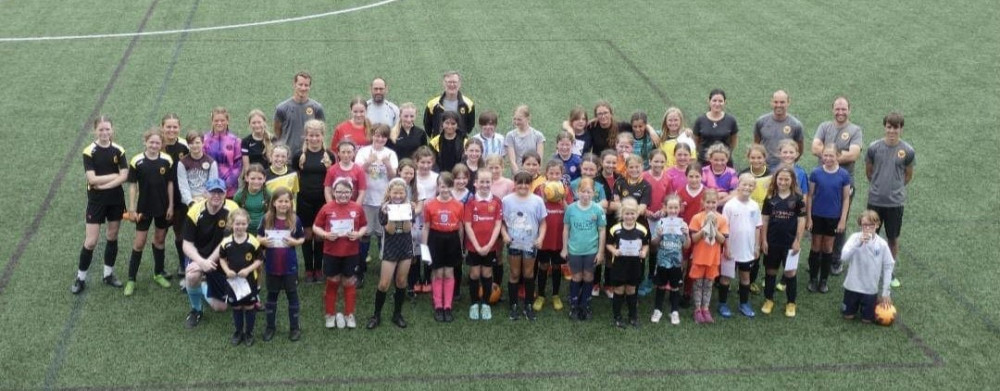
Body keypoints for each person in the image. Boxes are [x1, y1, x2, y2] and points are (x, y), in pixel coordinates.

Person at [72, 116, 129, 294]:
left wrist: (104, 184)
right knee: (91, 241)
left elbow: (124, 175)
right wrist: (114, 176)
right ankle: (80, 278)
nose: (104, 133)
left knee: (112, 236)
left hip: (115, 199)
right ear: (95, 131)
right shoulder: (89, 151)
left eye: (107, 129)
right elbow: (91, 179)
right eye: (101, 130)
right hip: (96, 201)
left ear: (112, 130)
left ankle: (108, 274)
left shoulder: (119, 150)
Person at [812, 97, 863, 275]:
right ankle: (817, 257)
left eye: (844, 109)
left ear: (850, 110)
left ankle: (835, 259)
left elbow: (853, 155)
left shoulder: (855, 130)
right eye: (837, 109)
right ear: (832, 109)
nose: (840, 112)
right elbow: (814, 147)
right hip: (821, 183)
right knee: (818, 219)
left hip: (844, 184)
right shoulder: (824, 126)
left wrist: (829, 157)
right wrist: (834, 156)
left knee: (840, 222)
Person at [182, 178, 240, 328]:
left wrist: (207, 264)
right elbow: (186, 244)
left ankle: (202, 284)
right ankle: (196, 310)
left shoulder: (232, 209)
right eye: (213, 192)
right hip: (198, 255)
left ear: (225, 193)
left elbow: (226, 242)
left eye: (220, 192)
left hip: (220, 257)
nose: (216, 195)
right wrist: (201, 263)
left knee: (220, 308)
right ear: (205, 193)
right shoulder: (195, 210)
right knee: (192, 274)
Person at [865, 112, 914, 288]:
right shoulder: (874, 148)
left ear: (901, 129)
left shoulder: (907, 150)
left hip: (895, 203)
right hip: (875, 201)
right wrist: (879, 187)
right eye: (889, 127)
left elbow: (907, 175)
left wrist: (895, 189)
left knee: (893, 238)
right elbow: (869, 172)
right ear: (884, 127)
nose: (892, 130)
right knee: (870, 236)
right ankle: (870, 268)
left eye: (896, 127)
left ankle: (889, 271)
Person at [124, 129, 175, 296]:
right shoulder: (137, 161)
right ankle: (131, 279)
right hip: (143, 208)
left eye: (157, 143)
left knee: (160, 240)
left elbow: (170, 184)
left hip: (162, 207)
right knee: (139, 243)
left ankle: (158, 273)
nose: (154, 145)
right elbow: (132, 185)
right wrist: (131, 208)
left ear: (162, 145)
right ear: (145, 142)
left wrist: (171, 206)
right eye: (151, 142)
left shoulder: (167, 160)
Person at [313, 179, 367, 330]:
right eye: (339, 192)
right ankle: (330, 314)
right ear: (333, 192)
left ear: (351, 192)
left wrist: (358, 234)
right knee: (333, 280)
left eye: (346, 192)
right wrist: (325, 234)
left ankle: (349, 314)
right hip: (331, 252)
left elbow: (364, 226)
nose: (343, 195)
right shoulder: (327, 208)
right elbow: (316, 227)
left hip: (351, 252)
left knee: (349, 281)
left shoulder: (357, 208)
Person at [367, 179, 416, 329]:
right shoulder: (383, 208)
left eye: (401, 192)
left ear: (405, 193)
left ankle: (397, 314)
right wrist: (392, 213)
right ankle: (376, 315)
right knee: (384, 284)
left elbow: (407, 229)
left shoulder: (409, 207)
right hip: (390, 247)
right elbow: (390, 230)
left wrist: (406, 212)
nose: (398, 195)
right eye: (395, 192)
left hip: (405, 247)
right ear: (389, 193)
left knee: (401, 282)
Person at [257, 188, 305, 342]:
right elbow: (258, 236)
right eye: (280, 201)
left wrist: (294, 242)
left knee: (292, 296)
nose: (283, 204)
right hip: (271, 265)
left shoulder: (295, 219)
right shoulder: (266, 218)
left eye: (286, 201)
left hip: (289, 266)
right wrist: (263, 241)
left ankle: (294, 328)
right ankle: (270, 327)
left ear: (291, 203)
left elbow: (302, 238)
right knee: (272, 297)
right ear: (274, 203)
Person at [356, 124, 399, 288]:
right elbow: (357, 172)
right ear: (372, 135)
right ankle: (359, 270)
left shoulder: (391, 154)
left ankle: (386, 269)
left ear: (386, 138)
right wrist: (368, 162)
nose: (379, 139)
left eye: (383, 136)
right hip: (366, 200)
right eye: (377, 135)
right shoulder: (363, 152)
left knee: (384, 236)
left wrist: (387, 165)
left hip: (384, 202)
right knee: (364, 235)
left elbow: (394, 176)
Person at [501, 171, 547, 321]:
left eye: (526, 183)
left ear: (531, 184)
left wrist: (540, 238)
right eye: (519, 182)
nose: (523, 186)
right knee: (514, 273)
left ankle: (528, 304)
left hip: (530, 244)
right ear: (514, 183)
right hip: (514, 243)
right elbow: (501, 222)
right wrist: (505, 235)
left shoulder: (537, 201)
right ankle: (513, 305)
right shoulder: (507, 200)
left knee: (528, 274)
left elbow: (543, 223)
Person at [760, 167, 806, 317]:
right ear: (776, 179)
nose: (783, 182)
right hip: (772, 242)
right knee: (770, 271)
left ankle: (791, 303)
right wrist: (764, 240)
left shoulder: (798, 199)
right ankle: (768, 300)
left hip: (790, 244)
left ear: (792, 180)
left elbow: (801, 220)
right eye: (780, 179)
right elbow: (765, 220)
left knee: (790, 273)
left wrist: (797, 241)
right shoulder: (769, 198)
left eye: (787, 179)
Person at [806, 145, 852, 293]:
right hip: (817, 216)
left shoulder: (844, 175)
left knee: (827, 248)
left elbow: (846, 199)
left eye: (831, 155)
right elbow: (810, 196)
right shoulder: (816, 173)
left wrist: (842, 219)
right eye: (825, 155)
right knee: (815, 246)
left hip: (833, 218)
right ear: (821, 156)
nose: (828, 158)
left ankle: (823, 280)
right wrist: (809, 218)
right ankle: (813, 278)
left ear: (838, 156)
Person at [561, 177, 607, 321]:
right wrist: (564, 248)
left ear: (594, 193)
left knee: (588, 277)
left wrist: (600, 252)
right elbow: (566, 229)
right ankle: (574, 304)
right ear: (577, 192)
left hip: (591, 250)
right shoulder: (571, 209)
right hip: (575, 250)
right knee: (576, 277)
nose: (585, 195)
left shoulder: (598, 209)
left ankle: (585, 304)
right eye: (583, 191)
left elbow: (602, 231)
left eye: (589, 192)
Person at [422, 172, 465, 322]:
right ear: (438, 187)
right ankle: (438, 305)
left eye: (448, 187)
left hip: (452, 240)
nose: (445, 190)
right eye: (442, 186)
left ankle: (448, 306)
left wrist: (461, 246)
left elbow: (460, 227)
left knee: (449, 273)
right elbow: (426, 227)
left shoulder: (459, 205)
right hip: (436, 239)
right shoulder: (430, 204)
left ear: (452, 187)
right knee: (438, 273)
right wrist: (424, 249)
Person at [296, 120, 335, 283]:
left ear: (322, 136)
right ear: (306, 136)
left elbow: (333, 178)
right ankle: (308, 269)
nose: (314, 138)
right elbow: (295, 178)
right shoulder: (299, 156)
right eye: (311, 135)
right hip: (304, 201)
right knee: (307, 235)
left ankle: (319, 269)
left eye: (317, 135)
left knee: (319, 236)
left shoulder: (329, 156)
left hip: (322, 202)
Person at [719, 174, 763, 319]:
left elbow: (757, 227)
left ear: (754, 188)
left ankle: (743, 303)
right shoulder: (730, 205)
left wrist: (756, 246)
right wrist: (726, 247)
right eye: (744, 184)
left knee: (745, 278)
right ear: (738, 185)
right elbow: (724, 229)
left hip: (747, 250)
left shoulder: (754, 205)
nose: (747, 188)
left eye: (751, 185)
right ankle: (722, 303)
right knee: (726, 278)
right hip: (730, 250)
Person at [218, 209, 263, 346]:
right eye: (237, 224)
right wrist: (226, 270)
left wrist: (248, 269)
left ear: (247, 224)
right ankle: (238, 332)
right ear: (231, 224)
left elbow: (259, 260)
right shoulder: (226, 242)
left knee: (249, 307)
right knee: (236, 307)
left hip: (249, 281)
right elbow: (222, 259)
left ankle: (248, 333)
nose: (240, 227)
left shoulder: (253, 242)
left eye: (243, 224)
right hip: (233, 282)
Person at [840, 210, 895, 323]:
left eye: (871, 225)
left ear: (877, 225)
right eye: (865, 225)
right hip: (852, 287)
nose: (868, 228)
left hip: (870, 290)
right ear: (860, 224)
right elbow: (843, 257)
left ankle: (872, 304)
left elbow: (888, 267)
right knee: (848, 317)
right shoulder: (854, 238)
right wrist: (857, 244)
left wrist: (886, 293)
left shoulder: (882, 244)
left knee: (867, 320)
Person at [534, 160, 574, 313]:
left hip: (559, 236)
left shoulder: (565, 189)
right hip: (544, 237)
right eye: (551, 173)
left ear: (561, 175)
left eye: (557, 173)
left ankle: (555, 295)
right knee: (543, 265)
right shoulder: (540, 189)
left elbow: (569, 211)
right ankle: (542, 295)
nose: (554, 176)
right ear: (546, 174)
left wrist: (562, 198)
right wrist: (544, 198)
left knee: (557, 266)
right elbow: (535, 209)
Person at [464, 171, 503, 321]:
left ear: (491, 183)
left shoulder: (496, 202)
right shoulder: (471, 202)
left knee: (487, 274)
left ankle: (485, 304)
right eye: (482, 182)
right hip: (474, 247)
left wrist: (489, 245)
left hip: (490, 247)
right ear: (476, 183)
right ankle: (474, 304)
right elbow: (468, 226)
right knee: (474, 274)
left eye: (488, 182)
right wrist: (477, 246)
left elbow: (498, 225)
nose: (485, 185)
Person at [606, 197, 650, 329]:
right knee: (619, 290)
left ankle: (633, 316)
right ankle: (617, 317)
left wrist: (644, 252)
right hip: (620, 264)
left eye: (632, 213)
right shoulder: (615, 229)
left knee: (631, 289)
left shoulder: (642, 229)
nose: (629, 216)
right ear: (621, 214)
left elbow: (646, 245)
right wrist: (614, 251)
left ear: (636, 214)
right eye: (626, 213)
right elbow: (608, 244)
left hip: (635, 264)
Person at [688, 189, 728, 324]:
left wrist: (714, 228)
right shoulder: (697, 218)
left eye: (713, 202)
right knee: (698, 284)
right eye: (708, 202)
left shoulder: (721, 219)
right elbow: (693, 239)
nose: (711, 205)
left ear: (717, 203)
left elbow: (722, 240)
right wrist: (704, 228)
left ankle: (706, 309)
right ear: (702, 202)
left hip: (713, 258)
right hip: (699, 257)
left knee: (709, 285)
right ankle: (697, 309)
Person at [650, 195, 690, 325]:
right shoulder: (661, 223)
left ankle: (674, 311)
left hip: (676, 262)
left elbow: (686, 246)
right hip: (662, 261)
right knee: (660, 286)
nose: (673, 210)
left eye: (676, 207)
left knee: (675, 287)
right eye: (670, 207)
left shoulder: (683, 224)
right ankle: (657, 310)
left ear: (680, 208)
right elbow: (653, 243)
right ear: (665, 208)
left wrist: (687, 234)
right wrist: (659, 236)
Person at [160, 114, 189, 278]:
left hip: (180, 198)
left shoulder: (184, 146)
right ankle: (160, 268)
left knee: (180, 232)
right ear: (162, 127)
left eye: (174, 127)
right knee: (160, 234)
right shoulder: (157, 144)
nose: (171, 130)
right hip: (160, 199)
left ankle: (182, 264)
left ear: (179, 127)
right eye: (168, 127)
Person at [640, 150, 672, 296]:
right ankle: (639, 277)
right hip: (644, 216)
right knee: (642, 246)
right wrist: (645, 211)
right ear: (650, 161)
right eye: (656, 161)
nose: (658, 164)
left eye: (661, 162)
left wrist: (663, 210)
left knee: (655, 247)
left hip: (659, 218)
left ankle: (651, 276)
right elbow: (638, 196)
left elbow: (669, 199)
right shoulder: (643, 176)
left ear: (665, 163)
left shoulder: (668, 178)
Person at [274, 71, 325, 157]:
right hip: (288, 157)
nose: (303, 88)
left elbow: (321, 132)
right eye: (300, 84)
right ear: (294, 85)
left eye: (306, 85)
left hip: (309, 157)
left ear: (310, 87)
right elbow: (277, 132)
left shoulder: (317, 108)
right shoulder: (282, 108)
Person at [753, 90, 804, 170]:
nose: (778, 105)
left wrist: (790, 161)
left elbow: (800, 149)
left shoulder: (796, 125)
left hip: (785, 167)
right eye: (776, 102)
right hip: (765, 167)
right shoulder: (761, 122)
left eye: (782, 102)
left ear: (788, 103)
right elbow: (756, 144)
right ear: (771, 103)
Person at [693, 89, 739, 166]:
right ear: (709, 101)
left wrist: (725, 154)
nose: (717, 104)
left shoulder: (731, 120)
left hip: (724, 163)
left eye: (720, 101)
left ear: (725, 102)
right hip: (704, 162)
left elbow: (733, 141)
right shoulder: (700, 120)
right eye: (714, 100)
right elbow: (696, 142)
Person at [424, 71, 476, 138]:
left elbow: (470, 126)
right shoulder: (433, 104)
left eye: (454, 82)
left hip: (460, 144)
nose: (452, 85)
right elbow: (427, 125)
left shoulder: (468, 104)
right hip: (439, 144)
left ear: (459, 84)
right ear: (443, 83)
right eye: (449, 82)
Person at [204, 107, 242, 197]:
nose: (219, 123)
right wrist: (210, 184)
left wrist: (226, 184)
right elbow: (202, 163)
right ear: (212, 121)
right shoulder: (205, 139)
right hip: (209, 188)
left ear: (227, 121)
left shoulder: (235, 140)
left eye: (222, 120)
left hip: (230, 189)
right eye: (216, 120)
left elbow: (238, 166)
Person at [177, 130, 219, 208]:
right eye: (191, 143)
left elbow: (213, 184)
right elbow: (183, 186)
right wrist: (190, 202)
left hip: (206, 201)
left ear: (203, 143)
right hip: (188, 203)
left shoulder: (211, 162)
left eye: (197, 142)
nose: (194, 145)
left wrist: (205, 199)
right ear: (188, 144)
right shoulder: (182, 163)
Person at [505, 105, 546, 173]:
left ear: (528, 118)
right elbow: (512, 161)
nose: (516, 122)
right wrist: (519, 175)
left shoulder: (538, 136)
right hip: (518, 175)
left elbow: (539, 160)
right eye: (514, 119)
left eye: (519, 119)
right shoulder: (510, 136)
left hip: (534, 174)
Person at [242, 109, 272, 174]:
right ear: (249, 124)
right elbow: (246, 167)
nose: (257, 125)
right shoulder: (245, 141)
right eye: (254, 123)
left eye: (259, 122)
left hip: (270, 177)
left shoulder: (273, 139)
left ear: (264, 122)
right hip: (254, 177)